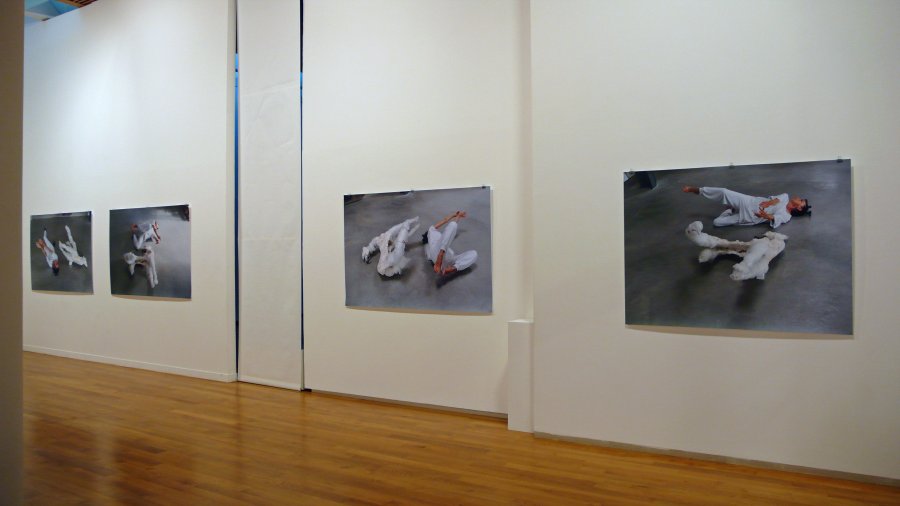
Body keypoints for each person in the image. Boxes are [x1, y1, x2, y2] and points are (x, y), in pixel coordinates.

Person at [685, 221, 787, 281]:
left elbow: (762, 265)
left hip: (757, 253)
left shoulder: (774, 244)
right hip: (753, 249)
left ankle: (744, 269)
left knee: (727, 246)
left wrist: (745, 274)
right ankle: (695, 235)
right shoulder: (765, 242)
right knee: (725, 244)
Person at [682, 185, 810, 228]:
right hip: (750, 202)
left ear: (799, 208)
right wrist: (768, 203)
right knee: (724, 192)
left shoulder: (787, 216)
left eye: (801, 201)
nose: (798, 198)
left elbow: (776, 218)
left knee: (717, 222)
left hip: (750, 216)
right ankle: (699, 190)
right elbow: (776, 200)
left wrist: (766, 216)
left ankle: (729, 210)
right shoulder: (786, 197)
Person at [422, 211, 477, 276]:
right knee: (452, 225)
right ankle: (441, 255)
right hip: (438, 255)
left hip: (445, 261)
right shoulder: (431, 230)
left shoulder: (429, 245)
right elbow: (445, 220)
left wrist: (457, 216)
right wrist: (456, 216)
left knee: (474, 253)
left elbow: (448, 234)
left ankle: (453, 268)